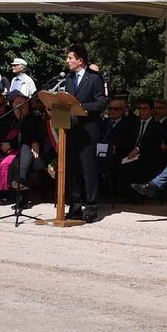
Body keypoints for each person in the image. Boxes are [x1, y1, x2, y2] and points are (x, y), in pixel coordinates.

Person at [63, 43, 107, 222]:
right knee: (73, 170)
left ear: (80, 60)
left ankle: (91, 208)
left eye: (70, 58)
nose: (67, 61)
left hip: (88, 129)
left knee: (88, 170)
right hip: (72, 129)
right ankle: (74, 206)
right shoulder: (69, 78)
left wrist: (82, 108)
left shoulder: (94, 78)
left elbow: (101, 102)